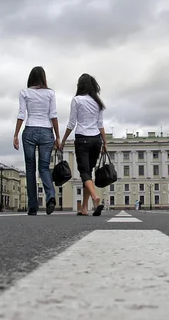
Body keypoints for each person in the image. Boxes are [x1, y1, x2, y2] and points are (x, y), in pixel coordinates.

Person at [13, 66, 60, 216]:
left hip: (29, 130)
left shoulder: (24, 93)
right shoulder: (50, 93)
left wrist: (15, 134)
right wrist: (58, 136)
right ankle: (50, 195)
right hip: (47, 131)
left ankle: (33, 207)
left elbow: (21, 114)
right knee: (44, 168)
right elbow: (53, 115)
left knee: (30, 169)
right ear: (43, 78)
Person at [60, 73, 108, 216]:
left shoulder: (77, 100)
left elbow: (71, 123)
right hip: (96, 140)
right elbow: (100, 125)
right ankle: (84, 208)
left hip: (82, 139)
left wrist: (63, 140)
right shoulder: (97, 102)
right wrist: (105, 143)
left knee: (84, 173)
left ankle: (94, 197)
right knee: (89, 173)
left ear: (80, 85)